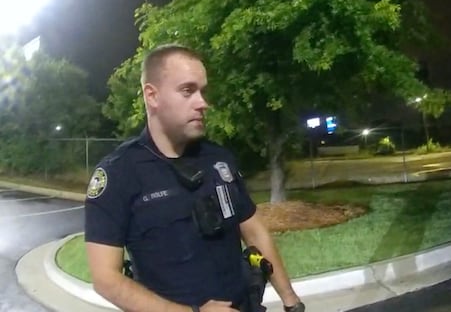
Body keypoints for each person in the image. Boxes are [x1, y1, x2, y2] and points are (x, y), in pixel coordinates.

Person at [85, 44, 305, 312]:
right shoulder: (118, 174)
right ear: (152, 96)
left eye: (203, 91)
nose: (203, 103)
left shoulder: (219, 159)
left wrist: (291, 300)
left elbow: (253, 229)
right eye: (188, 91)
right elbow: (106, 279)